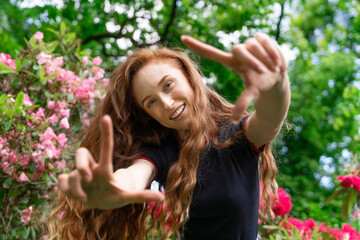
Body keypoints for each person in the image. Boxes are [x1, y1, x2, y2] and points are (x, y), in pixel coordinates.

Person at [48, 33, 290, 240]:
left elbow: (269, 120)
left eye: (168, 85)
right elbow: (133, 176)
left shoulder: (234, 136)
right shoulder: (163, 153)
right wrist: (114, 188)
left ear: (189, 76)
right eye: (151, 102)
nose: (166, 103)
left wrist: (276, 85)